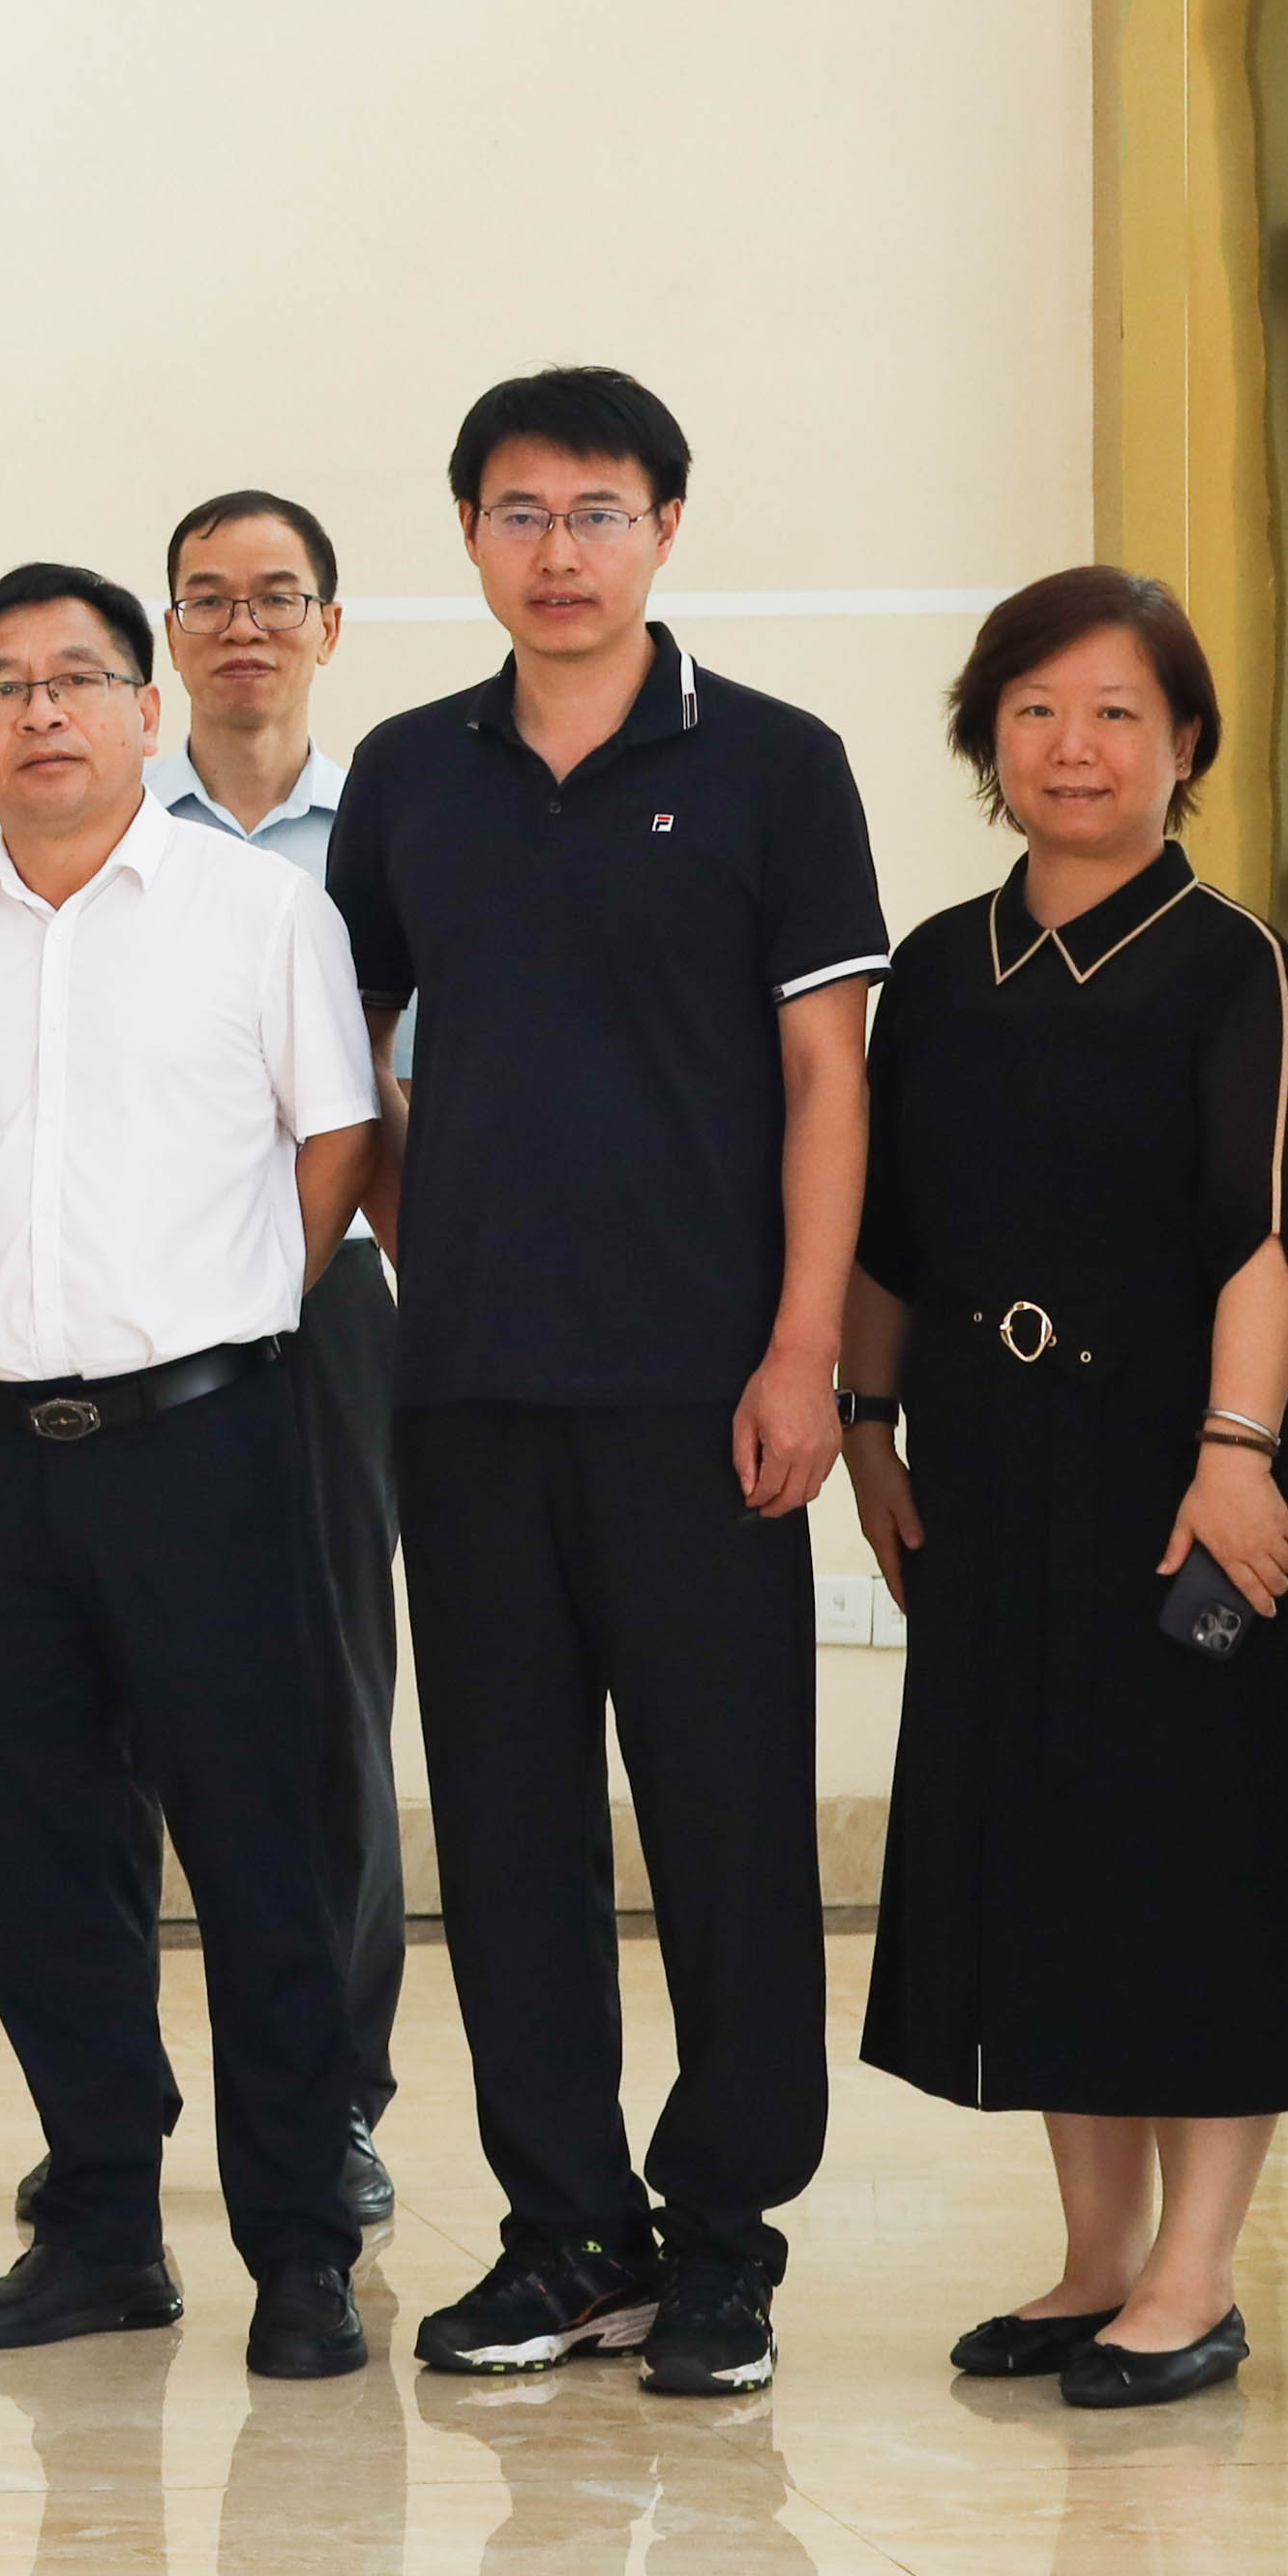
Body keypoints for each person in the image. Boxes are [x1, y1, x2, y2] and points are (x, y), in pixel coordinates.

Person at [329, 367, 884, 2397]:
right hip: (468, 1390)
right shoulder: (408, 771)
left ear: (665, 528)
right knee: (505, 1829)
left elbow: (828, 1079)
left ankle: (725, 2239)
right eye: (519, 513)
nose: (556, 552)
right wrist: (432, 1238)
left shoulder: (774, 765)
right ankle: (566, 2233)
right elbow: (342, 1059)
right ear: (469, 535)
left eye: (596, 512)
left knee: (727, 1825)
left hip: (703, 1390)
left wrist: (803, 1350)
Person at [0, 563, 385, 2381]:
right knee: (44, 1861)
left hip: (211, 1440)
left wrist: (216, 1315)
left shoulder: (257, 912)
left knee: (261, 1852)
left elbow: (334, 1143)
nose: (42, 711)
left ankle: (298, 2248)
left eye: (77, 677)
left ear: (144, 712)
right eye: (0, 686)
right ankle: (98, 2228)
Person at [838, 568, 1288, 2414]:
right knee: (1038, 1845)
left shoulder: (1235, 966)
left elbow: (1270, 1240)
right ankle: (1094, 2257)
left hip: (1175, 1469)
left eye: (1118, 711)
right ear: (987, 737)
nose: (1074, 745)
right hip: (983, 1458)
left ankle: (1193, 2278)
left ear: (1182, 743)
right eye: (1036, 708)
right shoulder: (933, 969)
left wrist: (1233, 1454)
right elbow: (887, 1231)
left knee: (1191, 1858)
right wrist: (867, 1430)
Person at [150, 486, 413, 2225]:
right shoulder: (105, 813)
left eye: (275, 594)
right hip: (127, 1318)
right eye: (206, 596)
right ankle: (108, 2108)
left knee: (328, 1703)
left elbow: (403, 1084)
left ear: (328, 625)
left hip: (325, 1309)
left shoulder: (387, 834)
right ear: (167, 633)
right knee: (111, 1720)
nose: (241, 624)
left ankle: (333, 2098)